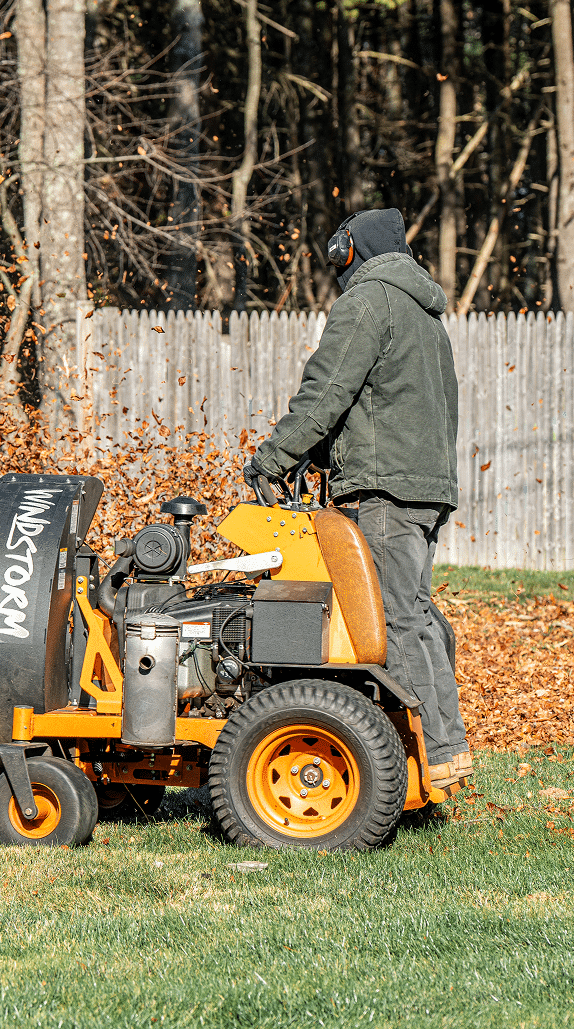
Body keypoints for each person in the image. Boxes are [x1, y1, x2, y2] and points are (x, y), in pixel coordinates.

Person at [243, 208, 471, 790]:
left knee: (393, 619)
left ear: (351, 251)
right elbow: (384, 405)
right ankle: (439, 749)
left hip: (385, 491)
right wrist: (324, 457)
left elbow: (327, 392)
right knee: (416, 613)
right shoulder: (424, 313)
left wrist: (275, 457)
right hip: (423, 486)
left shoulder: (368, 302)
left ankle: (435, 752)